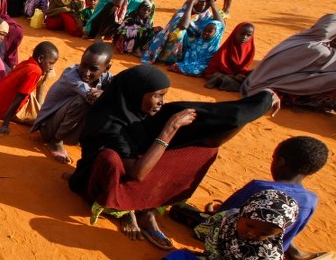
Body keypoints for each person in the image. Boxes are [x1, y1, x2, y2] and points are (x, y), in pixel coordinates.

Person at [67, 65, 278, 250]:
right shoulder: (110, 123)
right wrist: (171, 127)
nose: (161, 102)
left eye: (163, 95)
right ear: (136, 93)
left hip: (136, 164)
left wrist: (261, 102)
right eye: (157, 95)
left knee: (203, 150)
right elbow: (137, 173)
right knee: (111, 158)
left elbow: (215, 122)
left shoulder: (140, 111)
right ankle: (122, 208)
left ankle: (147, 209)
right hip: (102, 178)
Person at [33, 43, 113, 163]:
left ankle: (81, 137)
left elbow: (120, 85)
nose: (86, 72)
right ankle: (56, 141)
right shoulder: (71, 75)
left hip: (62, 122)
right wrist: (106, 94)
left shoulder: (106, 77)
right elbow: (91, 96)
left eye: (93, 69)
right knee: (84, 101)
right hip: (48, 126)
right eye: (84, 65)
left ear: (106, 68)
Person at [241, 14, 335, 113]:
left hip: (256, 80)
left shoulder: (300, 37)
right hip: (272, 85)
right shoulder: (319, 49)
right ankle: (313, 100)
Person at [166, 189, 299, 260]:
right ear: (243, 212)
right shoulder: (229, 218)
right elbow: (212, 243)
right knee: (177, 256)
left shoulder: (269, 256)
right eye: (249, 226)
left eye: (264, 234)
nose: (252, 233)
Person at [143, 0, 222, 65]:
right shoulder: (182, 13)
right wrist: (190, 4)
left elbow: (221, 25)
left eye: (207, 2)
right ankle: (170, 59)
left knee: (214, 30)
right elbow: (183, 25)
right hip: (182, 46)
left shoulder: (206, 15)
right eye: (201, 2)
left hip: (196, 47)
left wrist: (213, 5)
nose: (204, 4)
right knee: (178, 33)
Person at [0, 41, 58, 135]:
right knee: (48, 122)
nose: (52, 67)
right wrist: (5, 124)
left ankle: (39, 108)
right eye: (51, 63)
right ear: (40, 59)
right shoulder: (35, 71)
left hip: (5, 100)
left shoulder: (29, 63)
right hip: (10, 108)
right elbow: (19, 98)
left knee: (49, 73)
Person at [204, 22, 255, 91]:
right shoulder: (226, 48)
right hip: (223, 73)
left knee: (254, 76)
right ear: (235, 33)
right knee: (220, 77)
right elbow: (212, 69)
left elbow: (244, 67)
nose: (244, 37)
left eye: (248, 35)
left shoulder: (250, 49)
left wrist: (242, 74)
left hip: (237, 75)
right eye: (242, 34)